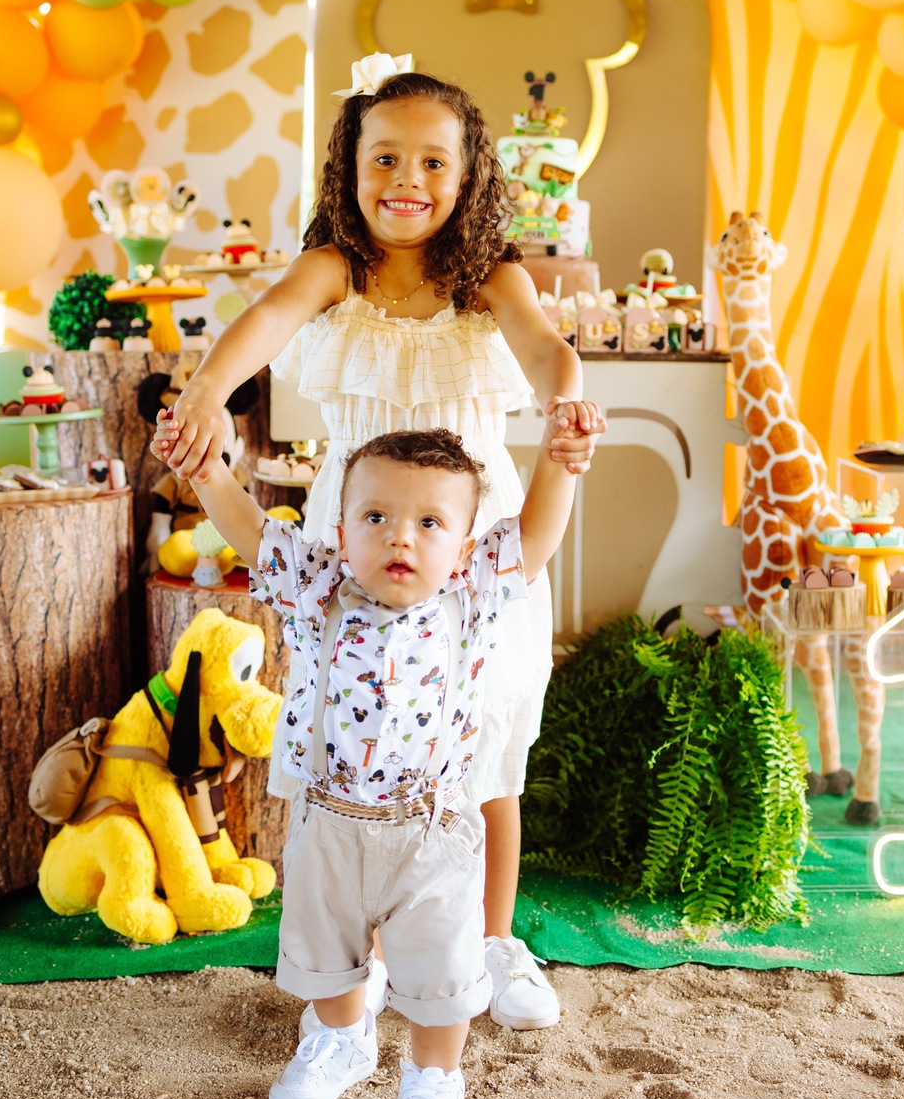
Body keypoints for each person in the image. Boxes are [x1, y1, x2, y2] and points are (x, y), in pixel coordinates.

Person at [160, 55, 605, 1030]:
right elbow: (263, 320)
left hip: (466, 539)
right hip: (356, 539)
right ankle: (351, 969)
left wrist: (566, 399)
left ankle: (489, 940)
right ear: (349, 168)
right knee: (355, 743)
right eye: (386, 159)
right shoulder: (336, 268)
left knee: (483, 744)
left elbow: (543, 348)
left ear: (469, 174)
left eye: (433, 164)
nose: (408, 182)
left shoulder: (488, 275)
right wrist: (205, 390)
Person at [168, 418, 598, 1099]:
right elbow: (248, 529)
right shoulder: (317, 588)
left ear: (464, 546)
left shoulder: (473, 597)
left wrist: (558, 465)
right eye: (377, 518)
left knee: (442, 973)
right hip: (329, 823)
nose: (402, 538)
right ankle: (341, 1041)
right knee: (328, 959)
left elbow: (533, 538)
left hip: (430, 834)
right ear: (340, 529)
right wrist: (207, 473)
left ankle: (434, 1081)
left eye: (430, 522)